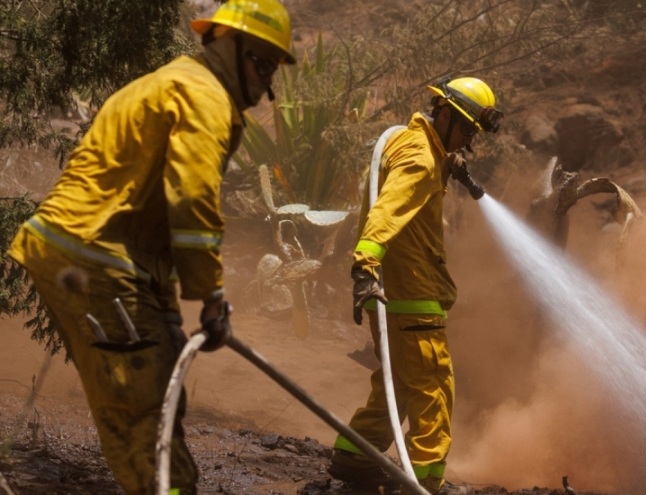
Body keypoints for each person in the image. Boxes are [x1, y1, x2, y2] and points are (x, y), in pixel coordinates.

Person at [6, 1, 295, 493]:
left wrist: (166, 305)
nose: (266, 86)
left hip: (106, 256)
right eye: (262, 63)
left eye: (272, 68)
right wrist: (210, 296)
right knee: (141, 412)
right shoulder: (203, 96)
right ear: (227, 44)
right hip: (96, 258)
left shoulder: (173, 83)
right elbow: (192, 197)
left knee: (159, 390)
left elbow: (149, 204)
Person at [327, 77, 504, 495]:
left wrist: (447, 161)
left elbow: (390, 183)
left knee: (401, 383)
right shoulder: (421, 160)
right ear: (443, 115)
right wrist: (366, 265)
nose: (466, 142)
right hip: (411, 296)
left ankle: (356, 458)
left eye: (472, 136)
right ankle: (425, 482)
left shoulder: (406, 143)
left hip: (395, 294)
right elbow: (387, 211)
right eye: (464, 131)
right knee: (433, 387)